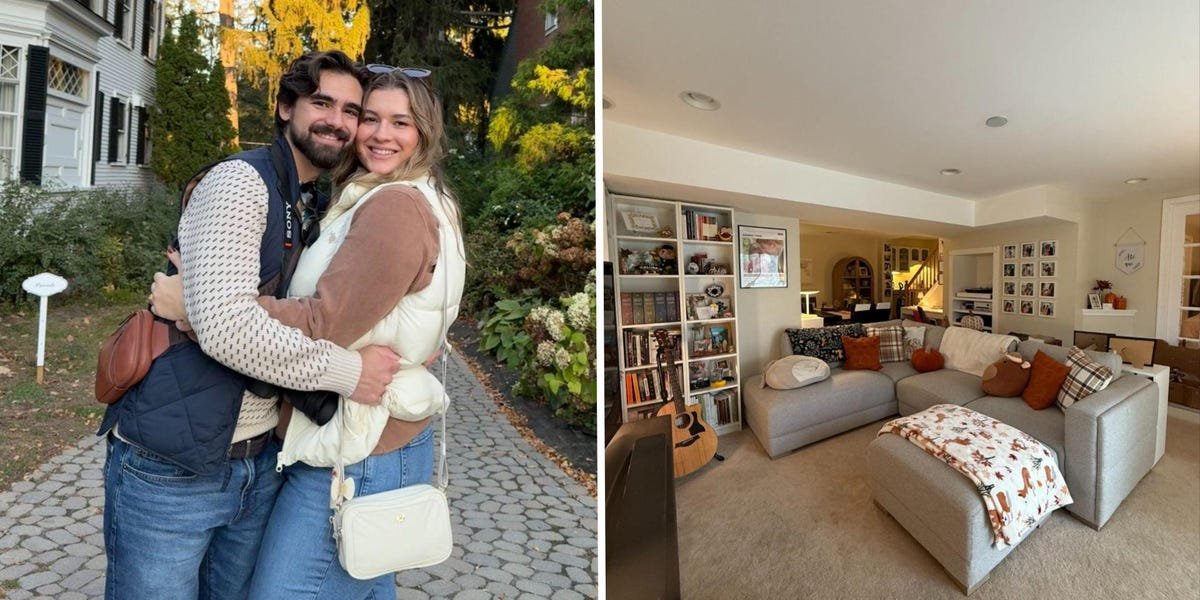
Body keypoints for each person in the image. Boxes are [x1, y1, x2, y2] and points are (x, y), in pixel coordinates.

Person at [153, 65, 466, 599]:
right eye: (370, 118)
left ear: (425, 132)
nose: (379, 134)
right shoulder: (412, 196)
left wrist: (204, 307)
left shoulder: (393, 207)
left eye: (400, 123)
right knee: (362, 583)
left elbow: (326, 322)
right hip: (377, 432)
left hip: (357, 444)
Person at [100, 50, 402, 600]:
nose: (338, 120)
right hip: (174, 464)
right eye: (322, 103)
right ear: (287, 108)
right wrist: (347, 372)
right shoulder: (243, 182)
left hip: (256, 459)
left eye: (351, 110)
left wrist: (194, 307)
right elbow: (229, 329)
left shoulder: (309, 198)